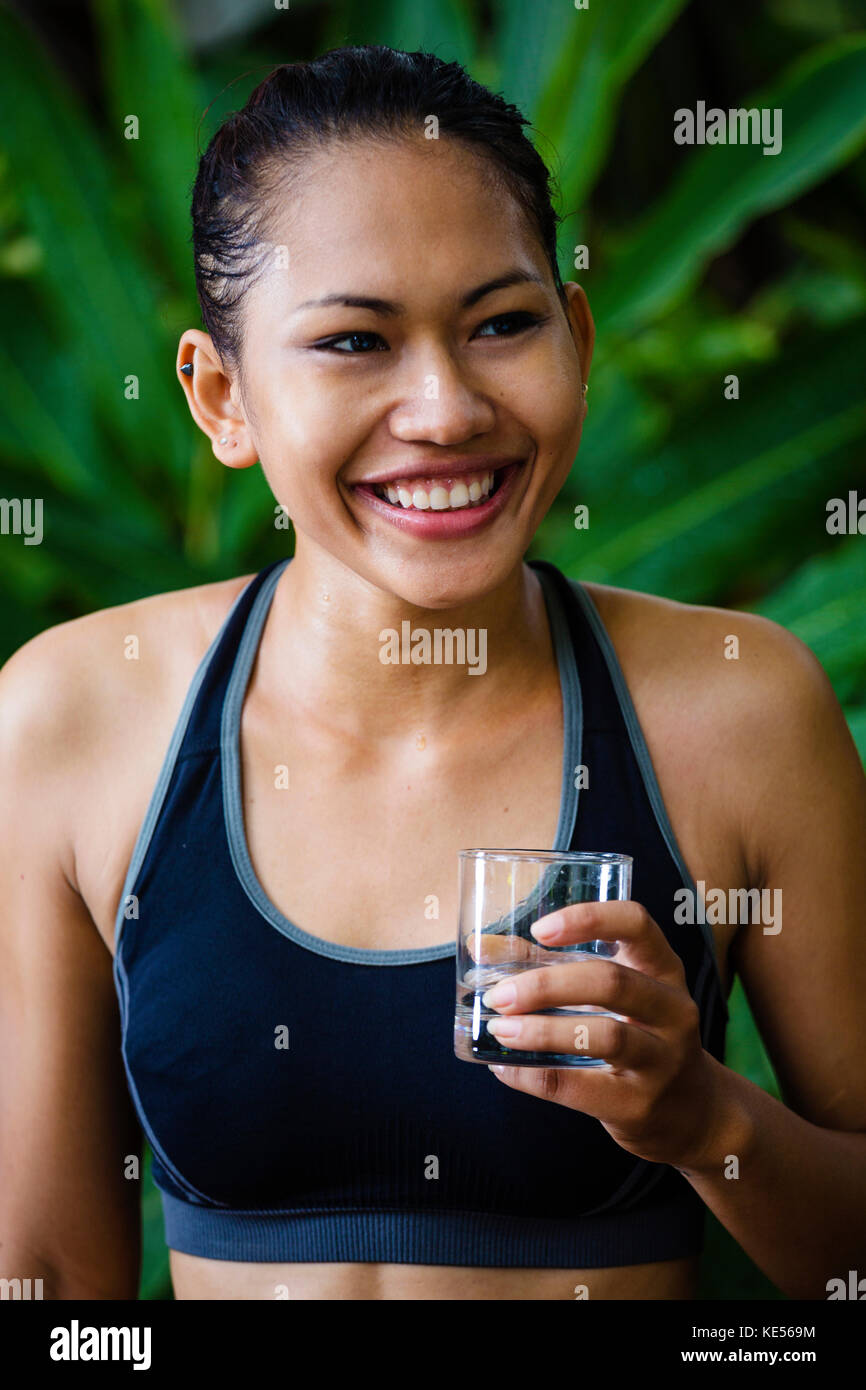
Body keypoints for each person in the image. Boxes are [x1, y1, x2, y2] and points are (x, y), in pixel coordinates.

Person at [1, 44, 864, 1303]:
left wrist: (702, 1119)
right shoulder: (75, 718)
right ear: (220, 398)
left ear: (573, 337)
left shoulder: (735, 709)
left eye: (500, 324)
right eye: (354, 341)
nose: (446, 409)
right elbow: (46, 1286)